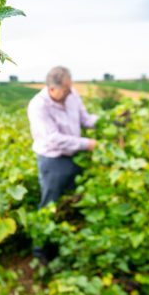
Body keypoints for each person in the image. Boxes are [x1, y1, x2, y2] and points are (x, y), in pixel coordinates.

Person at [27, 66, 99, 209]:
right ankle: (46, 228)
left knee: (71, 201)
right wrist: (89, 144)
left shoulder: (71, 95)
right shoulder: (39, 106)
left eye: (70, 87)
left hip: (75, 157)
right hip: (53, 161)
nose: (70, 92)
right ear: (51, 89)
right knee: (51, 203)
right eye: (65, 90)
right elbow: (53, 138)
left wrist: (105, 121)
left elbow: (85, 119)